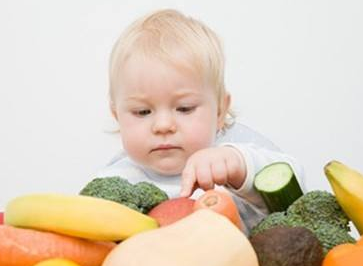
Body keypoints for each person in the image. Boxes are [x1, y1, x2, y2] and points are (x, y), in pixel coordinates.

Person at [96, 9, 304, 233]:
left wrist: (238, 166)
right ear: (117, 116)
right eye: (143, 112)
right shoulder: (114, 182)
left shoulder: (230, 160)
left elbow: (298, 190)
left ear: (220, 112)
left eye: (184, 108)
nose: (163, 125)